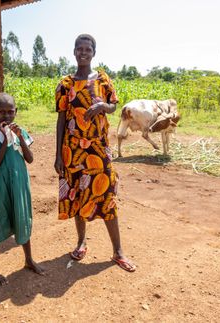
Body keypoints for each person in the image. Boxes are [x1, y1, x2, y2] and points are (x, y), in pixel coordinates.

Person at [54, 34, 136, 272]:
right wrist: (58, 154)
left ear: (93, 53)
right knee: (78, 193)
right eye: (79, 48)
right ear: (73, 52)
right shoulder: (65, 84)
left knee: (107, 194)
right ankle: (81, 242)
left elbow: (113, 105)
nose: (83, 52)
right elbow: (61, 120)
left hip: (98, 148)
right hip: (72, 151)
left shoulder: (102, 78)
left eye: (87, 49)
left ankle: (118, 251)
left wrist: (102, 106)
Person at [0, 92, 45, 285]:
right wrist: (6, 140)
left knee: (22, 217)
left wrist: (19, 137)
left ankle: (28, 260)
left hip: (18, 183)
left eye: (10, 112)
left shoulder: (20, 131)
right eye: (2, 112)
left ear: (16, 112)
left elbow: (30, 158)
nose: (7, 117)